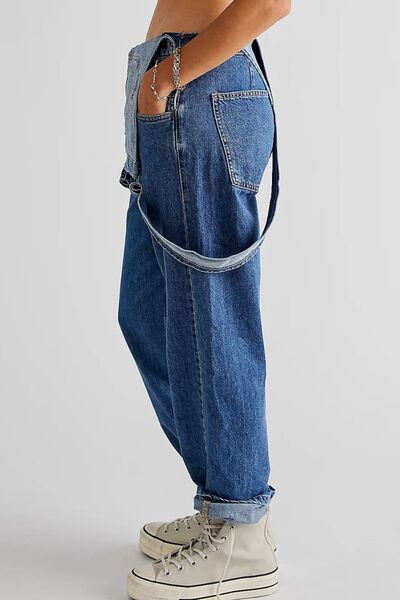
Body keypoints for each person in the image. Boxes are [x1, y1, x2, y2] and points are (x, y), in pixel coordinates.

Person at [118, 1, 291, 598]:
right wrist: (156, 80)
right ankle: (224, 504)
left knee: (213, 323)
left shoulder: (180, 77)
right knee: (147, 315)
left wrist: (168, 77)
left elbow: (269, 2)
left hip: (198, 88)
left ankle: (242, 527)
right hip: (180, 89)